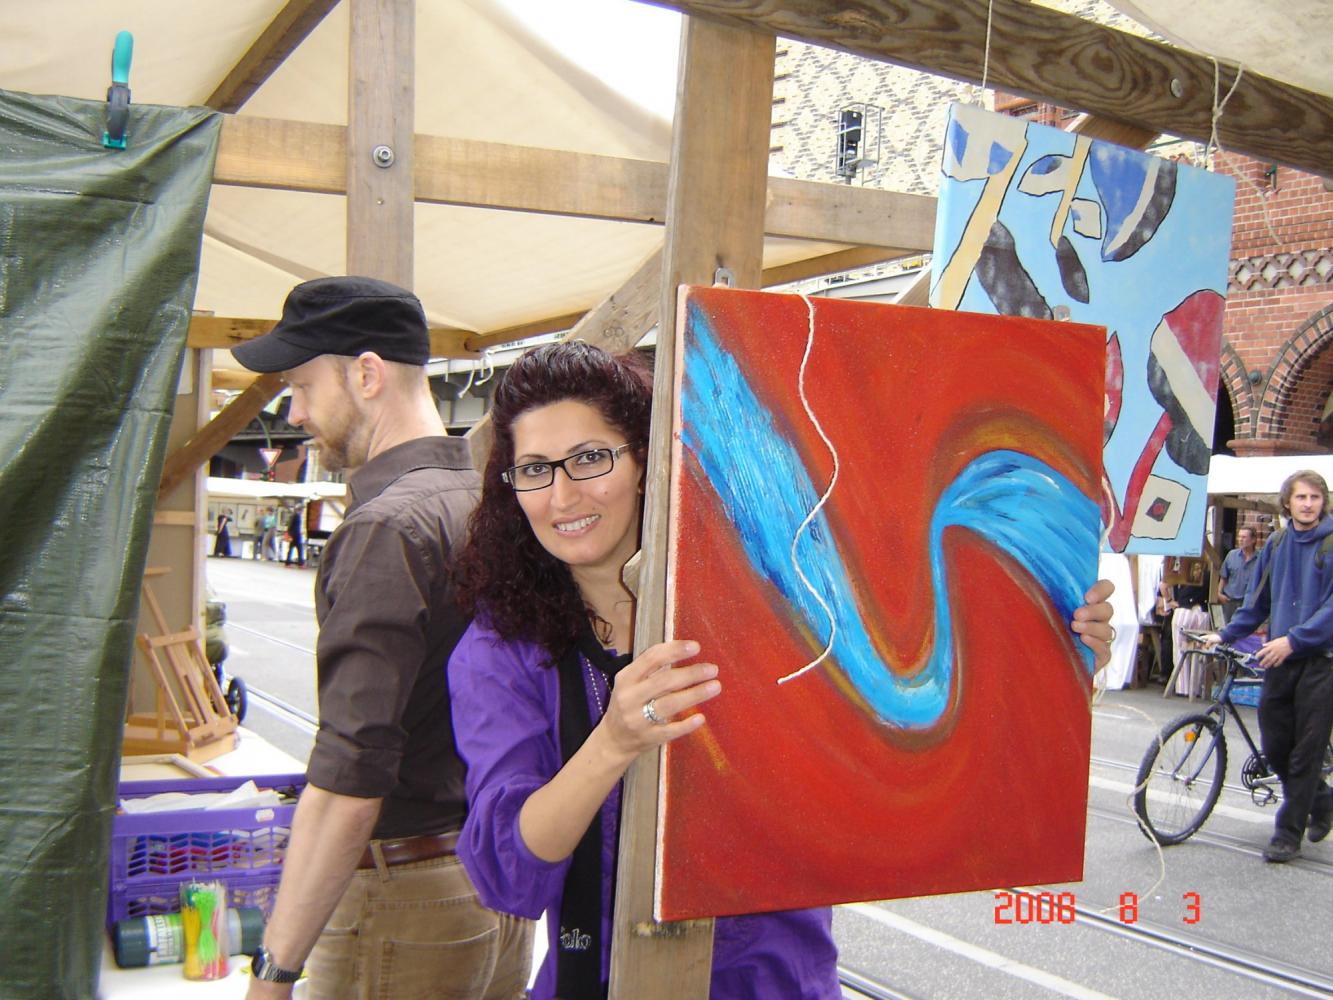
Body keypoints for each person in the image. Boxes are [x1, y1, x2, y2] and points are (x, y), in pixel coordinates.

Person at [446, 341, 1118, 999]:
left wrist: (1050, 653)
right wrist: (613, 741)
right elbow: (508, 875)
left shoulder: (766, 594)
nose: (562, 495)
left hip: (783, 980)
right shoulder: (502, 650)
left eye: (590, 458)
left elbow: (910, 736)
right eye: (533, 469)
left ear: (646, 461)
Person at [232, 276, 531, 998]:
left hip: (404, 897)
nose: (295, 413)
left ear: (366, 375)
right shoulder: (490, 501)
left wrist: (273, 972)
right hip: (495, 884)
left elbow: (351, 775)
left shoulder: (386, 528)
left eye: (302, 386)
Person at [1205, 471, 1333, 863]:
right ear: (1287, 502)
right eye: (1301, 497)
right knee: (1276, 746)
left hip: (1321, 661)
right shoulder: (1276, 544)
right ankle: (1322, 800)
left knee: (1306, 752)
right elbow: (1257, 602)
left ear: (1323, 502)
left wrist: (1294, 640)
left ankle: (1287, 833)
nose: (1307, 504)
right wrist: (1225, 634)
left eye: (1314, 497)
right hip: (1280, 659)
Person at [1220, 525, 1260, 622]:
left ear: (1253, 540)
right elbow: (1223, 577)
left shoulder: (1260, 559)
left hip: (1248, 603)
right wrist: (1219, 593)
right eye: (1239, 537)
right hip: (1229, 601)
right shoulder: (1231, 555)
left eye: (1244, 537)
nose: (1240, 540)